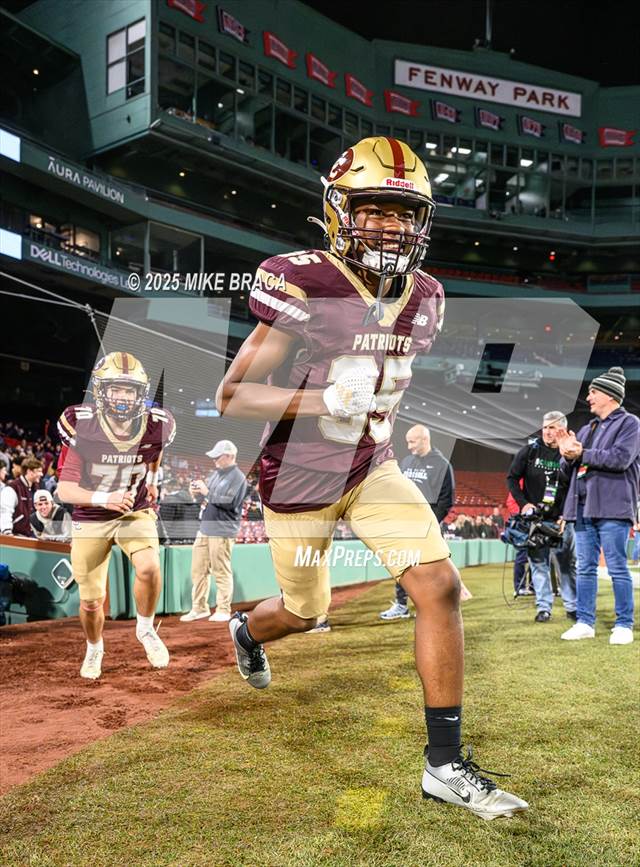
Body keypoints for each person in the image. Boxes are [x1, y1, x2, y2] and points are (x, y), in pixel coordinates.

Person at [216, 136, 527, 819]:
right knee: (307, 611)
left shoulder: (427, 296)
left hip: (371, 464)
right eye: (374, 209)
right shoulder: (303, 281)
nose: (389, 225)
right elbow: (232, 396)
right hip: (298, 475)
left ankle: (443, 763)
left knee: (438, 585)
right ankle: (247, 631)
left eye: (402, 212)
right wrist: (317, 400)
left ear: (421, 222)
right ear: (339, 211)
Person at [56, 351, 176, 680]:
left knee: (150, 566)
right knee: (92, 602)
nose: (123, 397)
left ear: (141, 394)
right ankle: (94, 647)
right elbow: (64, 491)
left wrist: (152, 481)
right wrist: (104, 498)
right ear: (101, 391)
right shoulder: (82, 425)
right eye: (116, 389)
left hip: (132, 511)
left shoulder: (157, 425)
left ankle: (146, 629)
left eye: (130, 390)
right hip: (91, 515)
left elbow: (156, 451)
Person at [558, 367, 639, 644]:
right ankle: (585, 622)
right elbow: (567, 469)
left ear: (609, 395)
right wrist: (567, 455)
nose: (589, 397)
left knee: (617, 566)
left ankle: (624, 624)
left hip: (613, 505)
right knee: (585, 567)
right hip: (582, 505)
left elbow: (620, 458)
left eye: (593, 392)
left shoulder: (630, 424)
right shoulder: (587, 428)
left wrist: (581, 453)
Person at [380, 425, 471, 620]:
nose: (409, 445)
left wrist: (430, 522)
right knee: (402, 564)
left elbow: (446, 500)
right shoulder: (406, 462)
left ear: (424, 440)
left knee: (433, 566)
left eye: (412, 441)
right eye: (407, 441)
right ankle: (401, 604)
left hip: (428, 526)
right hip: (404, 524)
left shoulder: (442, 464)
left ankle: (438, 603)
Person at [507, 411, 576, 622]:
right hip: (536, 520)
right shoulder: (529, 451)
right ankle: (543, 607)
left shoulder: (570, 454)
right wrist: (523, 503)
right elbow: (511, 478)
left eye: (552, 427)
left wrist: (567, 514)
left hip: (561, 520)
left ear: (562, 430)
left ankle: (572, 607)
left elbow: (576, 485)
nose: (547, 431)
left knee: (566, 564)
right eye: (545, 427)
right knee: (538, 564)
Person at [180, 440, 247, 624]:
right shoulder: (215, 474)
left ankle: (224, 609)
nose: (215, 460)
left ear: (230, 456)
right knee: (198, 570)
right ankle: (199, 608)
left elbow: (230, 502)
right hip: (206, 528)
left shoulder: (238, 477)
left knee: (221, 571)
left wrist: (207, 491)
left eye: (218, 456)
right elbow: (208, 498)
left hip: (223, 530)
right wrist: (197, 493)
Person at [0, 457, 44, 537]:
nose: (42, 474)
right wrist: (7, 531)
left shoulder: (37, 488)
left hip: (32, 535)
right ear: (29, 471)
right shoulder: (12, 488)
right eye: (39, 471)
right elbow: (5, 511)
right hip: (16, 535)